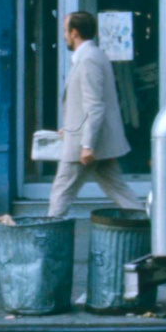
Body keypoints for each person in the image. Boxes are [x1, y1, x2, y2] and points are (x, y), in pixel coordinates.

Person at [48, 11, 145, 220]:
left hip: (86, 145)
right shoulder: (93, 55)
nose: (64, 35)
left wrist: (87, 145)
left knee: (61, 192)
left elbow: (95, 105)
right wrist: (72, 128)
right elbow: (88, 106)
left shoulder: (89, 59)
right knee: (118, 189)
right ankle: (147, 226)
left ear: (74, 33)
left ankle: (47, 241)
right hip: (95, 140)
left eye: (65, 30)